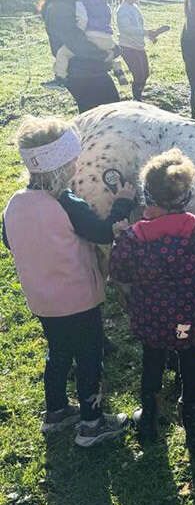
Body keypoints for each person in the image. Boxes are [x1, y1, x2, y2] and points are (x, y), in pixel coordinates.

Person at [2, 116, 135, 446]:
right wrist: (123, 202)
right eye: (73, 159)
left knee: (58, 353)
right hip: (78, 299)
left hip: (43, 302)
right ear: (63, 165)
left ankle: (56, 411)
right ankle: (91, 424)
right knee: (90, 356)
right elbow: (103, 232)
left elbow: (9, 239)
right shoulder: (69, 204)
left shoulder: (14, 204)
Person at [109, 148, 195, 448]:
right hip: (190, 318)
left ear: (147, 195)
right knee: (192, 366)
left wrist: (119, 236)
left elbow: (119, 271)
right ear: (185, 196)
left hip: (152, 320)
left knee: (152, 363)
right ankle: (194, 426)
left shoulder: (133, 238)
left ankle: (147, 421)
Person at [39, 0, 121, 112]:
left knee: (106, 112)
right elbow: (77, 43)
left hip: (89, 69)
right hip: (81, 72)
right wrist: (104, 54)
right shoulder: (59, 8)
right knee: (101, 114)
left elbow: (94, 31)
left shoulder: (73, 4)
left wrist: (114, 48)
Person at [52, 0, 127, 87]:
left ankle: (60, 77)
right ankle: (119, 71)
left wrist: (80, 31)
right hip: (107, 37)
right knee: (109, 53)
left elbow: (83, 19)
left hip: (90, 36)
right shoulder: (105, 4)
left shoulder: (80, 3)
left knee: (62, 53)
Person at [116, 0, 169, 101]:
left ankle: (138, 96)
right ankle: (136, 98)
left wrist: (150, 36)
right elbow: (126, 29)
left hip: (139, 46)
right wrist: (147, 32)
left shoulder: (135, 8)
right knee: (139, 74)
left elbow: (138, 27)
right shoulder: (122, 10)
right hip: (128, 47)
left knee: (145, 73)